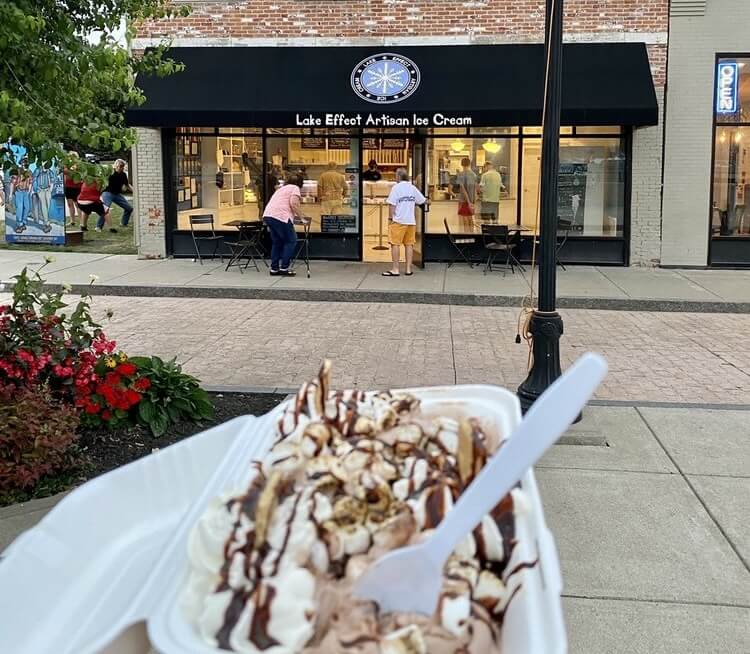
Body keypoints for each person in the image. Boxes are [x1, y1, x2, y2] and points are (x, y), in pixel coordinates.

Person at [382, 168, 427, 277]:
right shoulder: (412, 188)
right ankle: (408, 269)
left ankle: (395, 269)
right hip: (411, 221)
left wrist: (390, 219)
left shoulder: (396, 188)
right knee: (409, 244)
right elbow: (423, 200)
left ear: (398, 177)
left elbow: (392, 204)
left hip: (398, 220)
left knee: (395, 244)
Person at [263, 173, 304, 276]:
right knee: (291, 240)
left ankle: (274, 269)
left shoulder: (282, 188)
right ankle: (284, 268)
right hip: (281, 217)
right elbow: (293, 203)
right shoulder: (295, 188)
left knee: (277, 242)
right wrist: (302, 218)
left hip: (268, 215)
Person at [101, 159, 133, 227]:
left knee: (129, 208)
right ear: (115, 165)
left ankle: (124, 223)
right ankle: (98, 226)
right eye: (120, 166)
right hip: (107, 193)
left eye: (122, 166)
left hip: (117, 194)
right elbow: (102, 180)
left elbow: (127, 185)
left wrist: (135, 192)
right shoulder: (110, 172)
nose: (121, 168)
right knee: (105, 209)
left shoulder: (123, 174)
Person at [456, 156, 477, 228]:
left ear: (462, 164)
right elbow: (475, 189)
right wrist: (473, 202)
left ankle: (467, 235)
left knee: (465, 221)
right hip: (472, 200)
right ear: (469, 164)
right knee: (470, 218)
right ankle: (472, 235)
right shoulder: (474, 175)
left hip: (464, 200)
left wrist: (468, 202)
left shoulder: (460, 175)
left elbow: (463, 190)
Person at [64, 153, 83, 226]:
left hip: (77, 187)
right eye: (70, 157)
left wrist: (71, 172)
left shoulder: (79, 165)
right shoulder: (67, 165)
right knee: (69, 204)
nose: (71, 158)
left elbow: (77, 174)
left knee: (77, 204)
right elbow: (65, 172)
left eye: (73, 157)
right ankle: (72, 221)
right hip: (68, 186)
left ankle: (82, 222)